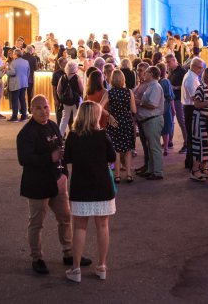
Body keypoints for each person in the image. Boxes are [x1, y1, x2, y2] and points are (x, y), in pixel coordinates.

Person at [16, 95, 91, 276]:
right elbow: (24, 159)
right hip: (37, 184)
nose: (44, 111)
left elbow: (62, 151)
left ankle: (68, 253)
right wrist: (49, 158)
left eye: (46, 107)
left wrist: (64, 174)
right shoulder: (26, 133)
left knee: (65, 218)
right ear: (32, 111)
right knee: (36, 223)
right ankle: (37, 258)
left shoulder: (53, 126)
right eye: (39, 108)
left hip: (58, 182)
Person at [63, 101, 116, 283]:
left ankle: (76, 268)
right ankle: (102, 266)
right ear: (95, 116)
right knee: (103, 226)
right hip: (102, 185)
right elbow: (112, 157)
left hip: (81, 185)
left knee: (79, 226)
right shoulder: (103, 136)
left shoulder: (73, 136)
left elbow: (67, 158)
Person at [134, 66, 165, 180]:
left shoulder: (155, 86)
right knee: (150, 146)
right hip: (148, 120)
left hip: (153, 120)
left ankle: (157, 172)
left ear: (151, 74)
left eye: (146, 72)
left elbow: (153, 105)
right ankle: (151, 170)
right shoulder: (151, 86)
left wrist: (139, 103)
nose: (144, 74)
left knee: (154, 147)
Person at [105, 69, 136, 183]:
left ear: (112, 79)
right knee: (128, 149)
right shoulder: (129, 92)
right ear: (123, 79)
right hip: (126, 122)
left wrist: (109, 115)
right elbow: (134, 110)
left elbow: (99, 106)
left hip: (114, 123)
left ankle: (117, 175)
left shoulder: (109, 93)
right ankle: (128, 174)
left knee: (116, 149)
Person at [191, 67, 208, 182]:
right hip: (200, 120)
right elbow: (196, 104)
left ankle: (204, 167)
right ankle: (195, 170)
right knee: (200, 145)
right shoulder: (200, 88)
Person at [181, 57, 205, 169]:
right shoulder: (191, 78)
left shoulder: (192, 76)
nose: (201, 70)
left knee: (192, 136)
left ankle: (190, 161)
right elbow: (194, 97)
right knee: (192, 137)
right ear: (194, 66)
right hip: (190, 109)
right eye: (200, 68)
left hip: (190, 107)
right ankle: (191, 162)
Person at [166, 53, 187, 153]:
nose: (167, 64)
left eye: (169, 62)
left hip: (178, 99)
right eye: (166, 62)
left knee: (181, 121)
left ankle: (186, 143)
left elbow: (184, 86)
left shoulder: (182, 71)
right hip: (171, 99)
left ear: (174, 61)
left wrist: (174, 87)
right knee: (170, 120)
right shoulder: (170, 71)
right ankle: (169, 141)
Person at [56, 61, 83, 136]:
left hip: (65, 101)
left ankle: (60, 136)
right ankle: (76, 135)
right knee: (76, 118)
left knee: (64, 119)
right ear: (75, 68)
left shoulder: (63, 77)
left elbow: (58, 90)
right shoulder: (77, 77)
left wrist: (61, 98)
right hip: (76, 101)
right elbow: (82, 89)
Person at [156, 62, 175, 156]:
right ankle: (166, 148)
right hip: (166, 108)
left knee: (158, 128)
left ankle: (158, 147)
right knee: (166, 128)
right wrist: (173, 109)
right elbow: (170, 97)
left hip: (157, 109)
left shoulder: (156, 82)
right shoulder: (166, 82)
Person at [8, 49, 31, 122]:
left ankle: (14, 117)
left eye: (13, 54)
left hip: (15, 83)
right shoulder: (26, 62)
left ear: (16, 54)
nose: (13, 55)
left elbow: (12, 73)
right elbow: (28, 72)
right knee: (22, 100)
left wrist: (6, 70)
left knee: (15, 100)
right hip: (24, 83)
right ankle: (23, 116)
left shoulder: (13, 63)